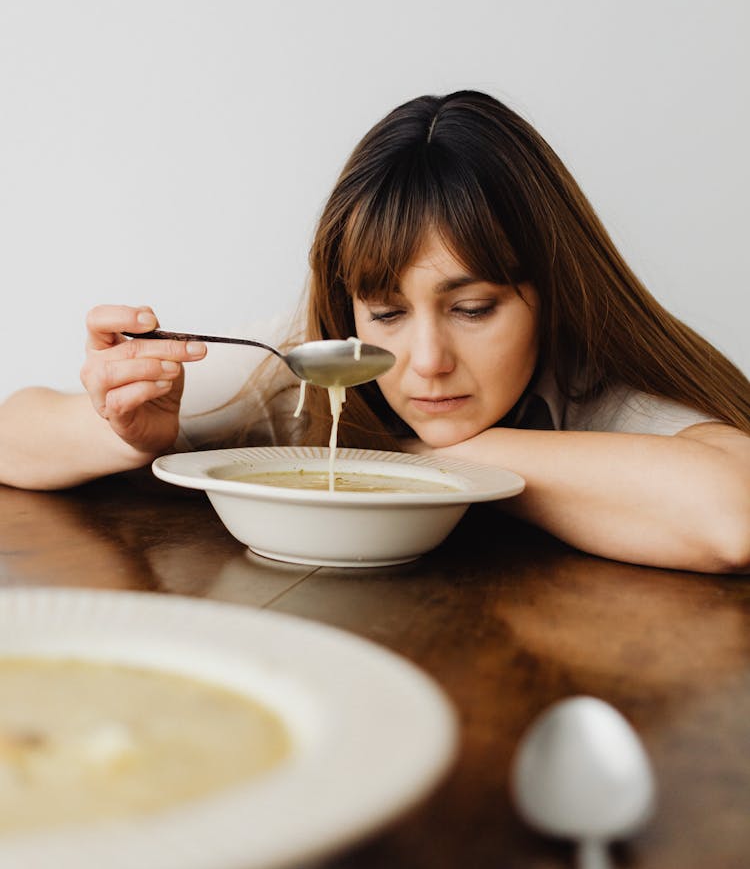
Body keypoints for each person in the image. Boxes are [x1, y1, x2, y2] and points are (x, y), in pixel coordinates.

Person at [1, 90, 749, 573]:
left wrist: (428, 456)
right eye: (387, 312)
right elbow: (13, 434)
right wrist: (125, 431)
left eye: (474, 307)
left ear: (549, 294)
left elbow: (733, 512)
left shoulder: (593, 383)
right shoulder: (303, 362)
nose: (426, 362)